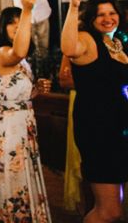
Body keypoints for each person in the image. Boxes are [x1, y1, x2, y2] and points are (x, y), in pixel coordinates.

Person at [61, 0, 127, 223]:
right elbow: (68, 48)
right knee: (109, 211)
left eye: (112, 13)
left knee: (117, 209)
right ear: (91, 18)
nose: (108, 19)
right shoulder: (87, 40)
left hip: (118, 131)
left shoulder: (117, 43)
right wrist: (74, 6)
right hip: (99, 132)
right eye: (101, 14)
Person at [0, 0, 52, 223]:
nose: (17, 26)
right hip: (10, 132)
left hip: (25, 127)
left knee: (24, 181)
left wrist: (36, 92)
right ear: (4, 27)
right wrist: (26, 9)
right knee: (13, 187)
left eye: (19, 21)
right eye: (12, 22)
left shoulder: (23, 62)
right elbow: (19, 51)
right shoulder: (3, 53)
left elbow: (15, 95)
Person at [58, 54, 84, 215]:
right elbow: (64, 80)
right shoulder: (74, 47)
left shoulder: (118, 44)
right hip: (81, 101)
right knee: (79, 157)